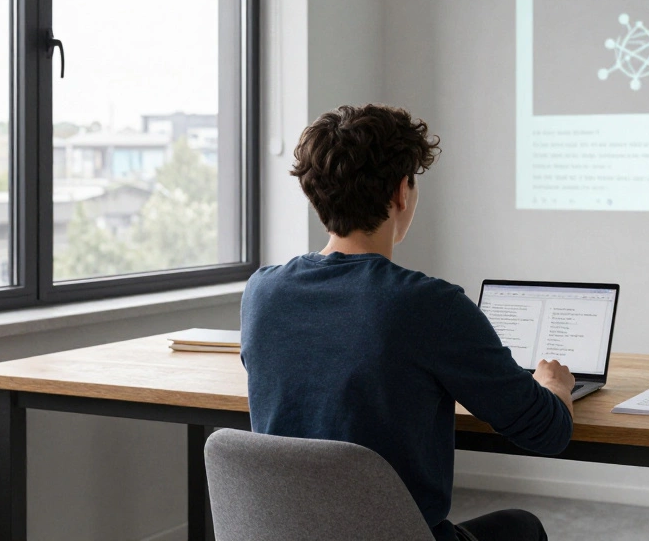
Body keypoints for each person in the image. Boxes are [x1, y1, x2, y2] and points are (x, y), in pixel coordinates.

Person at [240, 104, 575, 541]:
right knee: (521, 527)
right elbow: (547, 432)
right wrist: (556, 387)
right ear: (402, 193)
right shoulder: (426, 304)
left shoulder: (261, 292)